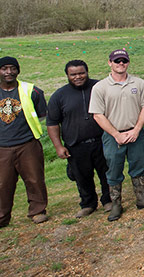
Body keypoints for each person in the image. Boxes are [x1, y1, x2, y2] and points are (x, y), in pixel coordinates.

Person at [0, 56, 49, 233]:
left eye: (12, 68)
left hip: (28, 144)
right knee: (0, 184)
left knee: (35, 179)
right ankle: (0, 218)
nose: (9, 72)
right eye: (4, 69)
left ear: (18, 70)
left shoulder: (32, 91)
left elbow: (41, 115)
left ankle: (37, 211)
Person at [89, 49, 144, 221]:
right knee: (113, 169)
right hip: (113, 136)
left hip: (136, 133)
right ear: (109, 63)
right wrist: (116, 134)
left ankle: (141, 198)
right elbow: (98, 115)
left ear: (128, 62)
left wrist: (136, 130)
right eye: (117, 61)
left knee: (138, 165)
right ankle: (116, 204)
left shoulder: (138, 83)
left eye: (124, 61)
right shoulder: (100, 87)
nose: (121, 64)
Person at [47, 60, 110, 218]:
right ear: (67, 75)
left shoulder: (100, 87)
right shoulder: (59, 96)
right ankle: (88, 204)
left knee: (107, 173)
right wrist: (58, 146)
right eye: (73, 74)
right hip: (76, 144)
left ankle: (109, 200)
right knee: (82, 177)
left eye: (81, 73)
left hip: (102, 141)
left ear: (87, 72)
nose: (78, 77)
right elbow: (52, 123)